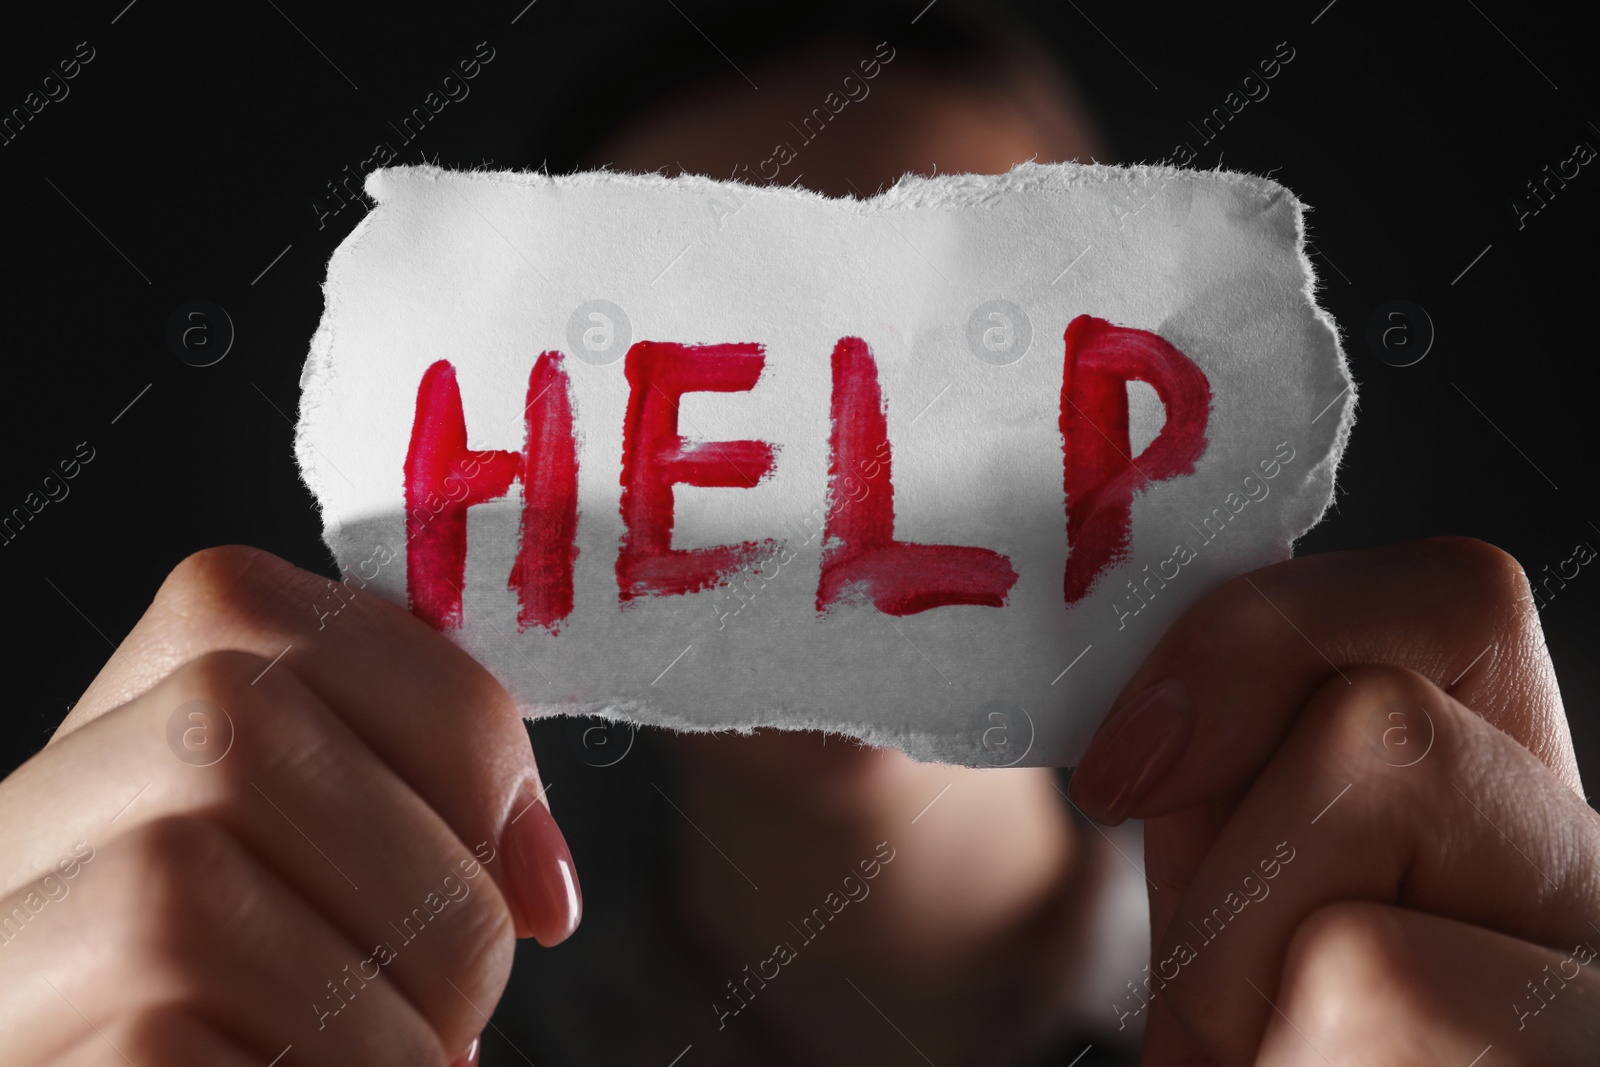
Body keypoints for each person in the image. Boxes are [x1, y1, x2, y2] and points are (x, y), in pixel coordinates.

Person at [2, 6, 1595, 1067]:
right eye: (690, 356)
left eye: (976, 342)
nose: (845, 485)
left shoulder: (1443, 968)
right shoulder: (356, 1025)